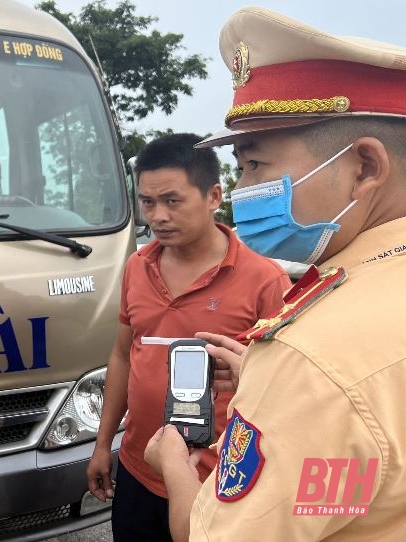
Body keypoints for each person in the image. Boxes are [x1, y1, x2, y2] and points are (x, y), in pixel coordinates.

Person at [144, 7, 406, 541]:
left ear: (365, 168)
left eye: (256, 165)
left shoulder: (312, 357)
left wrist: (173, 462)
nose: (243, 190)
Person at [86, 133, 291, 541]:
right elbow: (124, 356)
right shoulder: (136, 267)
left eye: (172, 201)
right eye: (147, 203)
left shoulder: (264, 281)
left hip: (220, 480)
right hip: (138, 467)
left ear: (213, 196)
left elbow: (285, 390)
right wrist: (103, 443)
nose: (157, 216)